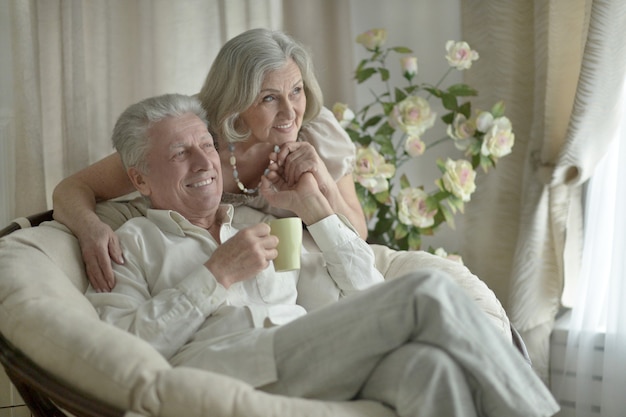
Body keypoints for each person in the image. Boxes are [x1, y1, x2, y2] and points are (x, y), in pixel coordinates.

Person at [85, 92, 559, 417]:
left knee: (428, 371)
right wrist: (215, 275)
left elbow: (366, 291)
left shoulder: (257, 222)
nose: (204, 161)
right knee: (429, 290)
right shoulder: (128, 243)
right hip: (226, 371)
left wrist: (313, 210)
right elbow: (122, 350)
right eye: (179, 153)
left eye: (206, 144)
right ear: (141, 179)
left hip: (310, 358)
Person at [53, 28, 365, 292]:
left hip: (282, 280)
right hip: (200, 269)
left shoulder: (316, 131)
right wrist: (90, 229)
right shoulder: (192, 136)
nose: (290, 112)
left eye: (296, 91)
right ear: (236, 100)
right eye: (269, 98)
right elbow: (73, 187)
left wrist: (321, 178)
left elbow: (359, 234)